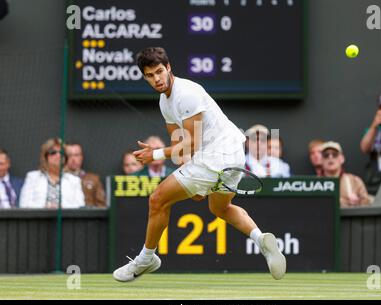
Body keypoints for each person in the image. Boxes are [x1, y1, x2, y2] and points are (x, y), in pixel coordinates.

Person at [113, 47, 286, 282]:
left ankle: (146, 259)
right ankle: (261, 240)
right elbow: (180, 144)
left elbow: (191, 142)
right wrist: (188, 172)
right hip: (232, 154)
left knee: (157, 200)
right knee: (219, 209)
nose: (157, 79)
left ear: (169, 67)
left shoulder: (187, 93)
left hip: (218, 154)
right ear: (144, 77)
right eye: (150, 75)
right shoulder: (165, 103)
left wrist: (155, 155)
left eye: (160, 72)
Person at [19, 138, 85, 209]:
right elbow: (24, 204)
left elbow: (80, 206)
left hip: (66, 219)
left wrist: (61, 207)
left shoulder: (74, 180)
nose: (58, 155)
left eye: (61, 153)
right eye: (53, 152)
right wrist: (45, 207)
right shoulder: (33, 177)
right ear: (45, 156)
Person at [321, 141, 373, 208]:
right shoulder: (314, 183)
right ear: (321, 160)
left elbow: (367, 203)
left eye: (335, 154)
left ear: (342, 159)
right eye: (326, 155)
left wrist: (358, 202)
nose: (330, 157)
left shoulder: (355, 181)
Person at [65, 142, 106, 208]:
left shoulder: (94, 179)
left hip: (88, 216)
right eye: (69, 155)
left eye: (76, 155)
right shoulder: (59, 178)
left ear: (81, 157)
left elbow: (101, 205)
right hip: (66, 215)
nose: (73, 159)